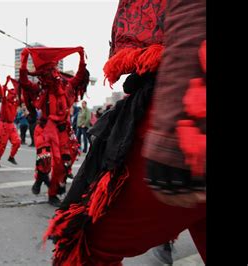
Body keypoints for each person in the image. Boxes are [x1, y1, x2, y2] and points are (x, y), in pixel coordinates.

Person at [44, 0, 206, 264]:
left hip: (184, 98)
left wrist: (181, 119)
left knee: (82, 251)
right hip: (179, 95)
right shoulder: (50, 93)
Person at [19, 46, 89, 206]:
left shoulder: (67, 87)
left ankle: (53, 194)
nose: (53, 74)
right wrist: (23, 60)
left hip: (63, 130)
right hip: (44, 129)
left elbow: (79, 77)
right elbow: (24, 81)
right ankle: (40, 179)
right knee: (45, 159)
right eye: (49, 72)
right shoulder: (40, 89)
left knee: (63, 164)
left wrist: (81, 58)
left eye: (54, 70)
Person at [0, 76, 21, 167]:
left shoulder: (15, 103)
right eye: (12, 94)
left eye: (14, 94)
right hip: (3, 125)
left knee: (17, 142)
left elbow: (21, 97)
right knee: (1, 146)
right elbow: (3, 93)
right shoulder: (5, 101)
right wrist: (3, 83)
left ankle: (11, 157)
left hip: (11, 125)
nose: (13, 95)